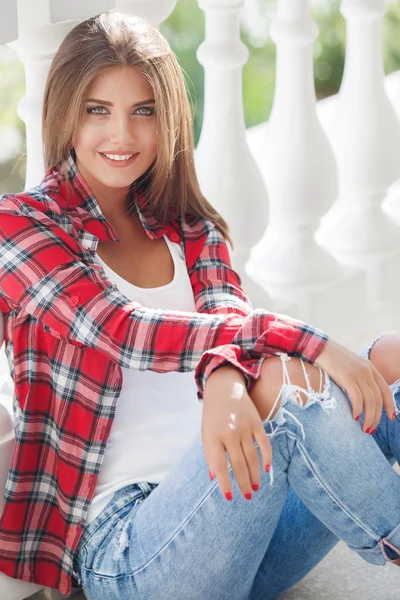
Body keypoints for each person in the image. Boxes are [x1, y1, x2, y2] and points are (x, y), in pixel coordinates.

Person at [0, 11, 399, 600]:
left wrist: (226, 380)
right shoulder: (22, 225)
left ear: (169, 119)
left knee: (388, 367)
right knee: (292, 395)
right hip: (133, 553)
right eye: (98, 110)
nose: (123, 136)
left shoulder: (190, 226)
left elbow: (229, 323)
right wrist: (311, 345)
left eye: (144, 111)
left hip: (247, 524)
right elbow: (124, 330)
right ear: (64, 114)